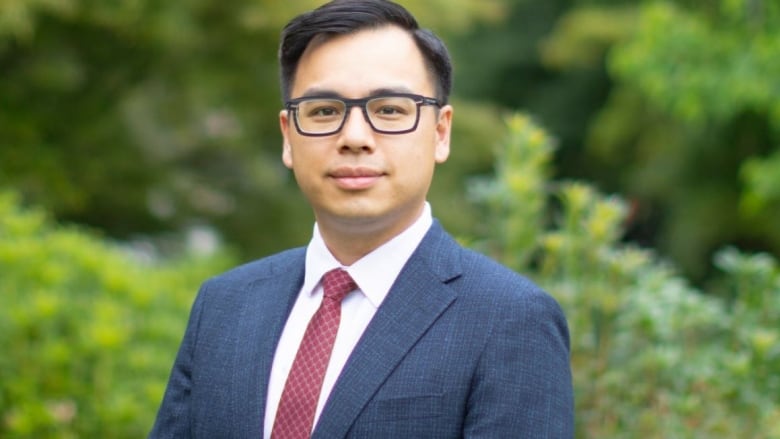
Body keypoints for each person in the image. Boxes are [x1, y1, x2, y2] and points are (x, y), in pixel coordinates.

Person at [148, 0, 574, 437]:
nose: (354, 137)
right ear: (288, 137)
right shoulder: (224, 307)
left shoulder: (509, 320)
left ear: (440, 132)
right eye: (324, 111)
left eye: (389, 110)